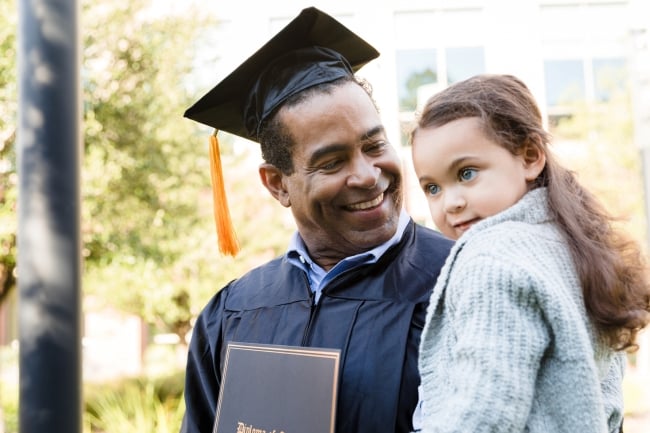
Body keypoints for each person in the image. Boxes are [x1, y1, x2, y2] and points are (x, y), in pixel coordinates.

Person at [179, 7, 454, 433]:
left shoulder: (462, 281)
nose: (366, 174)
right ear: (277, 184)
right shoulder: (233, 310)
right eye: (331, 162)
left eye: (374, 144)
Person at [410, 73, 650, 433]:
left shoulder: (491, 259)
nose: (452, 202)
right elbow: (607, 402)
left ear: (530, 156)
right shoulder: (573, 245)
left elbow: (483, 411)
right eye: (432, 188)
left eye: (467, 173)